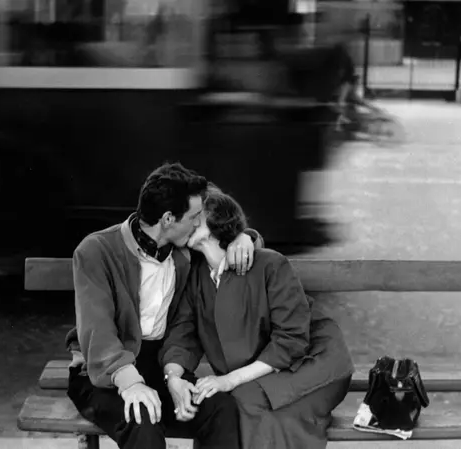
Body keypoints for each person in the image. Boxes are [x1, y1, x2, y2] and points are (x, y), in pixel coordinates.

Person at [65, 162, 264, 449]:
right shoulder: (96, 251)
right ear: (169, 218)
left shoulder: (184, 251)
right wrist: (131, 384)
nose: (199, 224)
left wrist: (245, 238)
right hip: (104, 372)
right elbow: (98, 332)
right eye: (195, 216)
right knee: (142, 418)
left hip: (159, 364)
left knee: (220, 409)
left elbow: (225, 228)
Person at [160, 186, 355, 449]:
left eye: (197, 215)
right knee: (231, 405)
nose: (190, 221)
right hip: (258, 374)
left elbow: (291, 341)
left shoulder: (269, 264)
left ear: (217, 221)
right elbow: (182, 335)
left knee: (244, 402)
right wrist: (174, 377)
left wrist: (228, 379)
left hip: (312, 362)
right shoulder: (195, 275)